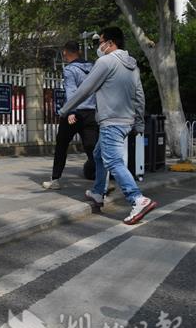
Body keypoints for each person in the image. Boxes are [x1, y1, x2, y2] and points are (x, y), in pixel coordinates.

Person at [59, 27, 157, 225]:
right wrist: (138, 123)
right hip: (125, 121)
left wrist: (65, 110)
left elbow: (85, 89)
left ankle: (137, 199)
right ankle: (97, 192)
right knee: (98, 155)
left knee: (112, 161)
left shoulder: (105, 62)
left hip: (111, 122)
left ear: (111, 43)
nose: (99, 46)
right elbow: (139, 96)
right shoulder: (132, 66)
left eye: (101, 41)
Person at [43, 41, 97, 190]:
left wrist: (71, 112)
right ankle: (101, 179)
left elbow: (71, 92)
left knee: (61, 145)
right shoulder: (92, 68)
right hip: (92, 113)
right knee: (92, 148)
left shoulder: (70, 70)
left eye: (64, 53)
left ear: (66, 52)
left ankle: (55, 180)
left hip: (75, 114)